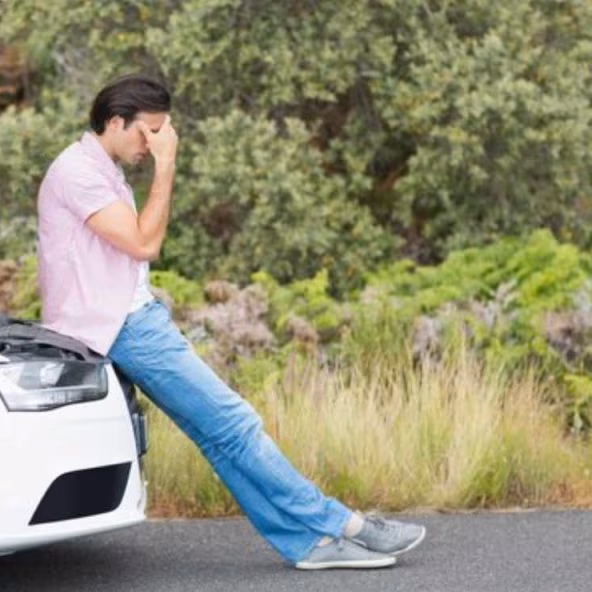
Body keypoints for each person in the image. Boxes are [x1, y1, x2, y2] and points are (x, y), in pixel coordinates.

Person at [36, 74, 426, 570]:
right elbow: (143, 243)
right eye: (148, 132)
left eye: (161, 136)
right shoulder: (77, 171)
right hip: (123, 326)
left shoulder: (101, 168)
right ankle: (343, 524)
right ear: (116, 122)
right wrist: (168, 165)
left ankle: (306, 546)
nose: (153, 144)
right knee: (235, 426)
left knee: (221, 436)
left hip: (129, 318)